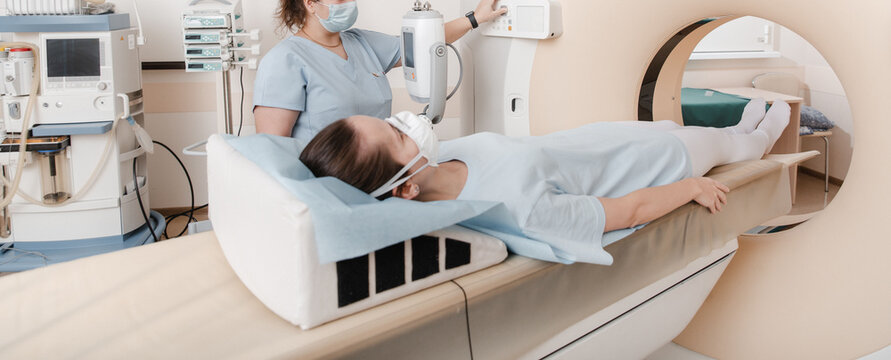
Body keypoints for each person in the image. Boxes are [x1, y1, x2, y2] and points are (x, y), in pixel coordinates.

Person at [299, 99, 790, 263]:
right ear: (405, 189)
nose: (408, 124)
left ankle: (741, 126)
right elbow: (627, 213)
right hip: (659, 164)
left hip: (607, 140)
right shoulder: (517, 208)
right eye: (396, 135)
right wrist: (690, 188)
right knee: (735, 145)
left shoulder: (440, 158)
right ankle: (766, 129)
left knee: (687, 127)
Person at [253, 0, 507, 144]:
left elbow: (424, 43)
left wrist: (475, 18)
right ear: (310, 4)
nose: (350, 4)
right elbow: (272, 149)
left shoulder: (361, 43)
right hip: (324, 181)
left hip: (380, 168)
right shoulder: (283, 61)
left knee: (482, 148)